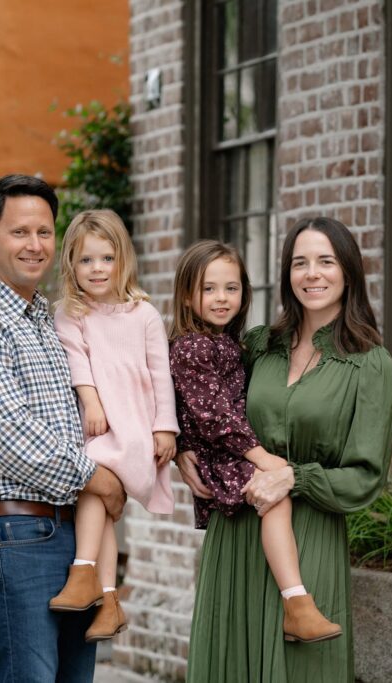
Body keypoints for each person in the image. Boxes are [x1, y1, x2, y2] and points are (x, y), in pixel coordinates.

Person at [178, 217, 392, 682]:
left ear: (349, 272)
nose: (312, 274)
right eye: (300, 263)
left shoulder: (370, 363)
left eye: (326, 261)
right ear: (286, 274)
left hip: (309, 533)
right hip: (236, 530)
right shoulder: (260, 345)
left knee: (302, 671)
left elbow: (366, 477)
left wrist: (295, 476)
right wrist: (182, 448)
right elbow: (202, 394)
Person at [0, 174, 125, 683]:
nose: (35, 245)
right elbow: (11, 438)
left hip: (71, 529)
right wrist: (102, 480)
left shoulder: (48, 319)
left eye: (45, 232)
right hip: (17, 533)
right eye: (20, 232)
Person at [168, 240, 342, 644]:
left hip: (229, 450)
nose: (221, 298)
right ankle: (297, 602)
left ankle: (296, 603)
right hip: (223, 455)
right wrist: (264, 458)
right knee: (276, 495)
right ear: (186, 295)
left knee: (277, 493)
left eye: (231, 288)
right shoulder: (193, 346)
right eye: (208, 289)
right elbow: (214, 418)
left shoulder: (228, 342)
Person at [50, 209, 178, 641]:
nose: (97, 269)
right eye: (86, 261)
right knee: (98, 498)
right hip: (100, 427)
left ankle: (84, 572)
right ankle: (107, 600)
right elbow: (76, 361)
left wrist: (166, 428)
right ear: (71, 264)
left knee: (92, 487)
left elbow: (161, 373)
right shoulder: (70, 312)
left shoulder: (143, 314)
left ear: (122, 259)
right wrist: (90, 399)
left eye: (106, 258)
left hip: (135, 431)